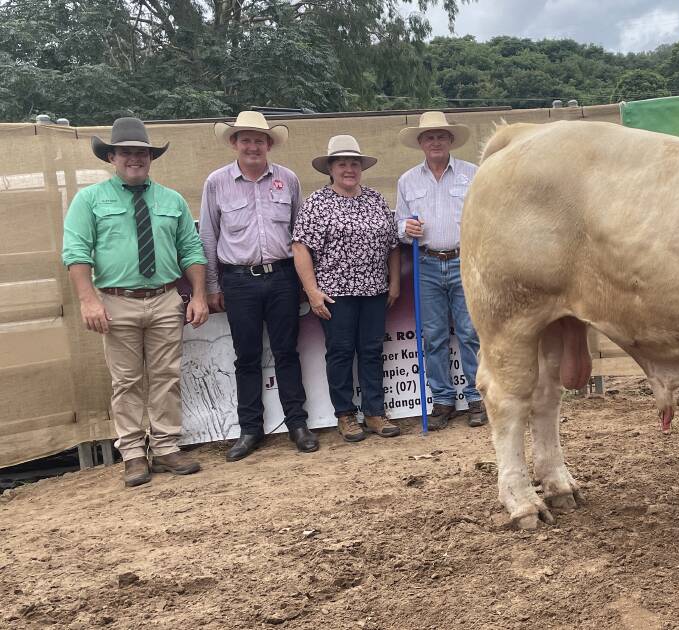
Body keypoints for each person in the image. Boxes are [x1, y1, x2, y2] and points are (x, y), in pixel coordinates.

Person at [61, 117, 209, 488]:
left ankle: (165, 447)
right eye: (126, 152)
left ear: (150, 157)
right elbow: (76, 252)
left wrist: (200, 295)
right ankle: (131, 454)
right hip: (116, 301)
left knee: (166, 376)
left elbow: (191, 250)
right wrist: (88, 301)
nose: (135, 159)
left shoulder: (171, 199)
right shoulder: (90, 199)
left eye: (141, 153)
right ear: (112, 156)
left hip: (164, 300)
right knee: (126, 381)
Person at [199, 111, 317, 461]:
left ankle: (298, 424)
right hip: (238, 280)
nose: (253, 146)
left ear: (269, 144)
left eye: (259, 140)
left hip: (282, 276)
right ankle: (250, 429)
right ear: (234, 143)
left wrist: (301, 281)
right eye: (245, 139)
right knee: (246, 357)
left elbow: (300, 233)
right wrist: (212, 285)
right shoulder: (216, 182)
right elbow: (208, 235)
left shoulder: (289, 179)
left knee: (287, 353)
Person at [292, 135, 403, 442]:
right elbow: (300, 248)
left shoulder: (376, 199)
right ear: (331, 168)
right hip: (334, 293)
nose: (349, 169)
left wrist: (394, 281)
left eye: (354, 163)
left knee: (371, 351)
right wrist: (312, 291)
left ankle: (375, 412)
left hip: (374, 290)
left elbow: (392, 245)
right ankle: (345, 415)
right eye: (342, 164)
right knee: (340, 353)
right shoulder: (316, 203)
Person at [396, 111, 485, 430]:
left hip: (465, 260)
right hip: (427, 264)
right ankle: (443, 400)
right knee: (433, 336)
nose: (435, 141)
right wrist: (407, 229)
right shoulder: (407, 180)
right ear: (421, 143)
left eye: (441, 136)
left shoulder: (472, 174)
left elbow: (485, 217)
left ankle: (477, 397)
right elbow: (399, 226)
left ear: (450, 141)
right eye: (429, 137)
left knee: (469, 332)